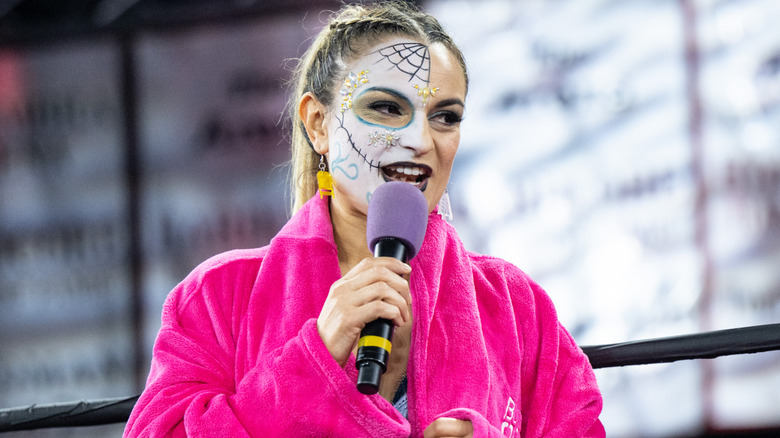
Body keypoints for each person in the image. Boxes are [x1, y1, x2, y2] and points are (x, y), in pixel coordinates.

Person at [123, 2, 605, 437]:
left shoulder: (515, 306)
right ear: (318, 124)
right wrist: (313, 357)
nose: (420, 140)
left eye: (445, 117)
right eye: (386, 108)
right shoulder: (217, 296)